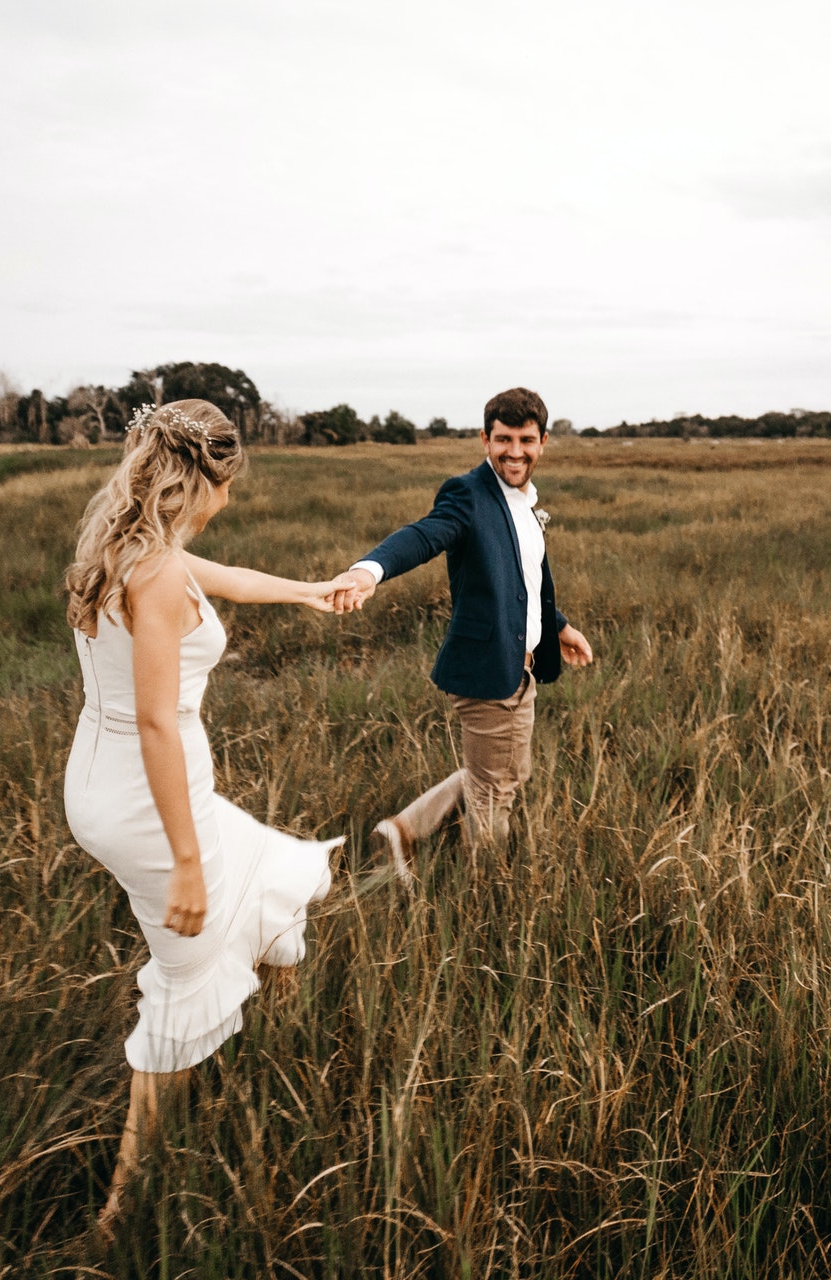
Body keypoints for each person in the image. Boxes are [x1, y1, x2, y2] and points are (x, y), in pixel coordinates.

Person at [62, 400, 356, 1227]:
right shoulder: (156, 576)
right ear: (207, 476)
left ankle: (281, 1041)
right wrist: (186, 860)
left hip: (100, 782)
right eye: (230, 481)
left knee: (270, 866)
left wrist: (310, 591)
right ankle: (122, 1208)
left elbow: (227, 580)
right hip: (148, 795)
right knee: (185, 982)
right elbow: (157, 722)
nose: (231, 498)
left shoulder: (130, 549)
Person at [330, 387, 593, 881]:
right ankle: (485, 890)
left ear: (543, 442)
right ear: (484, 440)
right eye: (504, 439)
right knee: (496, 789)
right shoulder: (467, 494)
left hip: (523, 665)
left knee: (506, 775)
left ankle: (402, 831)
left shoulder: (524, 502)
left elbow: (526, 579)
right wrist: (369, 570)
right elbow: (426, 534)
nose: (515, 451)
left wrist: (558, 627)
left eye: (526, 440)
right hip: (487, 668)